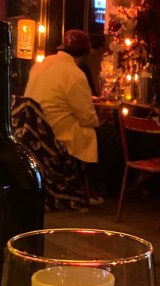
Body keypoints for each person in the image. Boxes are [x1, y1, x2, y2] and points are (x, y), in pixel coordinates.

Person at [24, 29, 117, 201]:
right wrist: (101, 119)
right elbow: (88, 119)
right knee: (109, 137)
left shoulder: (41, 65)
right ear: (84, 56)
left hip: (35, 130)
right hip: (58, 134)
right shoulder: (75, 74)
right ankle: (97, 188)